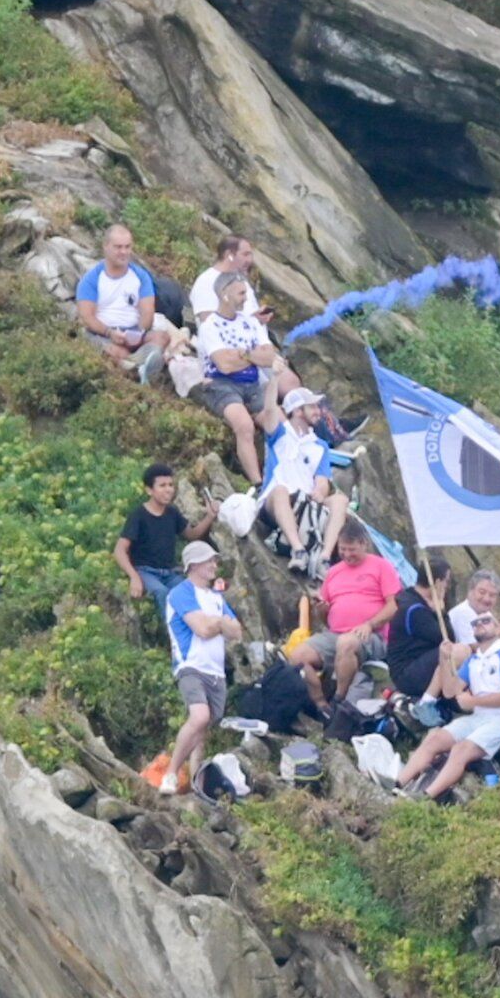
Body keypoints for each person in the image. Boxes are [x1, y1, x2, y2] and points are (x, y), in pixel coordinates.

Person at [395, 608, 500, 800]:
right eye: (475, 623)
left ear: (497, 626)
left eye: (485, 621)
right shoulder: (473, 660)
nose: (480, 625)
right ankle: (397, 783)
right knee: (435, 739)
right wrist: (444, 659)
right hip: (480, 717)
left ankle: (427, 796)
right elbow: (451, 690)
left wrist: (473, 701)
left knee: (461, 749)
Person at [198, 272, 298, 485]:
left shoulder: (251, 323)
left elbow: (269, 356)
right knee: (244, 426)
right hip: (221, 385)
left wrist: (243, 355)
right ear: (225, 294)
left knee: (281, 423)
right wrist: (254, 356)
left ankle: (291, 474)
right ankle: (258, 482)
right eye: (241, 293)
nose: (246, 298)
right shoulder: (210, 326)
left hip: (251, 384)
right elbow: (223, 365)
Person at [160, 541, 242, 795]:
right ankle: (171, 774)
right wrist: (219, 623)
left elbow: (237, 632)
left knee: (202, 729)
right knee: (199, 716)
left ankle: (196, 782)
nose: (214, 565)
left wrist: (216, 622)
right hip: (190, 666)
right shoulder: (181, 593)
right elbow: (203, 630)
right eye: (210, 561)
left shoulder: (216, 598)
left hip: (215, 672)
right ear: (194, 564)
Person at [290, 521, 399, 708]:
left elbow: (394, 605)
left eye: (352, 549)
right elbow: (325, 618)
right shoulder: (333, 572)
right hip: (335, 634)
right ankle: (320, 702)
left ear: (364, 544)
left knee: (346, 643)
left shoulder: (382, 566)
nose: (347, 555)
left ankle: (339, 699)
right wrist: (322, 610)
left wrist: (370, 624)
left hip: (371, 634)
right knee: (297, 655)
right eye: (343, 549)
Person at [256, 385, 349, 575]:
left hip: (305, 504)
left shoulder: (320, 446)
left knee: (340, 500)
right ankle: (298, 550)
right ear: (298, 411)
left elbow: (323, 480)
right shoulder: (280, 433)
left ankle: (324, 557)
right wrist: (273, 377)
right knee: (281, 490)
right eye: (312, 407)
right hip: (277, 502)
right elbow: (269, 409)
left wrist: (319, 492)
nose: (318, 412)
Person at [112, 463, 218, 617]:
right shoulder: (139, 515)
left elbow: (192, 535)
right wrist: (134, 577)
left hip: (170, 573)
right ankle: (172, 636)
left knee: (191, 590)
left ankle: (199, 630)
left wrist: (210, 516)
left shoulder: (172, 513)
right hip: (146, 571)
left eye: (170, 485)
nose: (168, 489)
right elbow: (120, 550)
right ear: (149, 490)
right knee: (161, 593)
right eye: (162, 485)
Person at [77, 224, 177, 382]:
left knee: (162, 337)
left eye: (127, 247)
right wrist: (110, 333)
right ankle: (139, 364)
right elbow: (87, 317)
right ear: (106, 247)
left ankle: (137, 363)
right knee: (109, 349)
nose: (123, 252)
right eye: (118, 247)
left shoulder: (140, 276)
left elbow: (147, 311)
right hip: (105, 333)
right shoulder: (91, 279)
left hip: (133, 332)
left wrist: (138, 332)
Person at [385, 555, 453, 701]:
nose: (447, 587)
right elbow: (447, 638)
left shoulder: (410, 597)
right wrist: (441, 611)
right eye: (447, 581)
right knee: (453, 652)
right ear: (437, 582)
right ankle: (426, 703)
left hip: (416, 663)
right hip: (406, 674)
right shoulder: (414, 610)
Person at [189, 235, 280, 342]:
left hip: (255, 351)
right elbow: (208, 323)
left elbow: (246, 318)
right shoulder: (207, 281)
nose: (250, 260)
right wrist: (251, 320)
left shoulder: (241, 280)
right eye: (245, 254)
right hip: (228, 352)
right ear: (229, 255)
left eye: (250, 255)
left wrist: (257, 319)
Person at [448, 568, 500, 646]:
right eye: (482, 592)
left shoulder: (487, 615)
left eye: (492, 595)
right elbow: (476, 650)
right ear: (471, 590)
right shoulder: (462, 613)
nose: (486, 599)